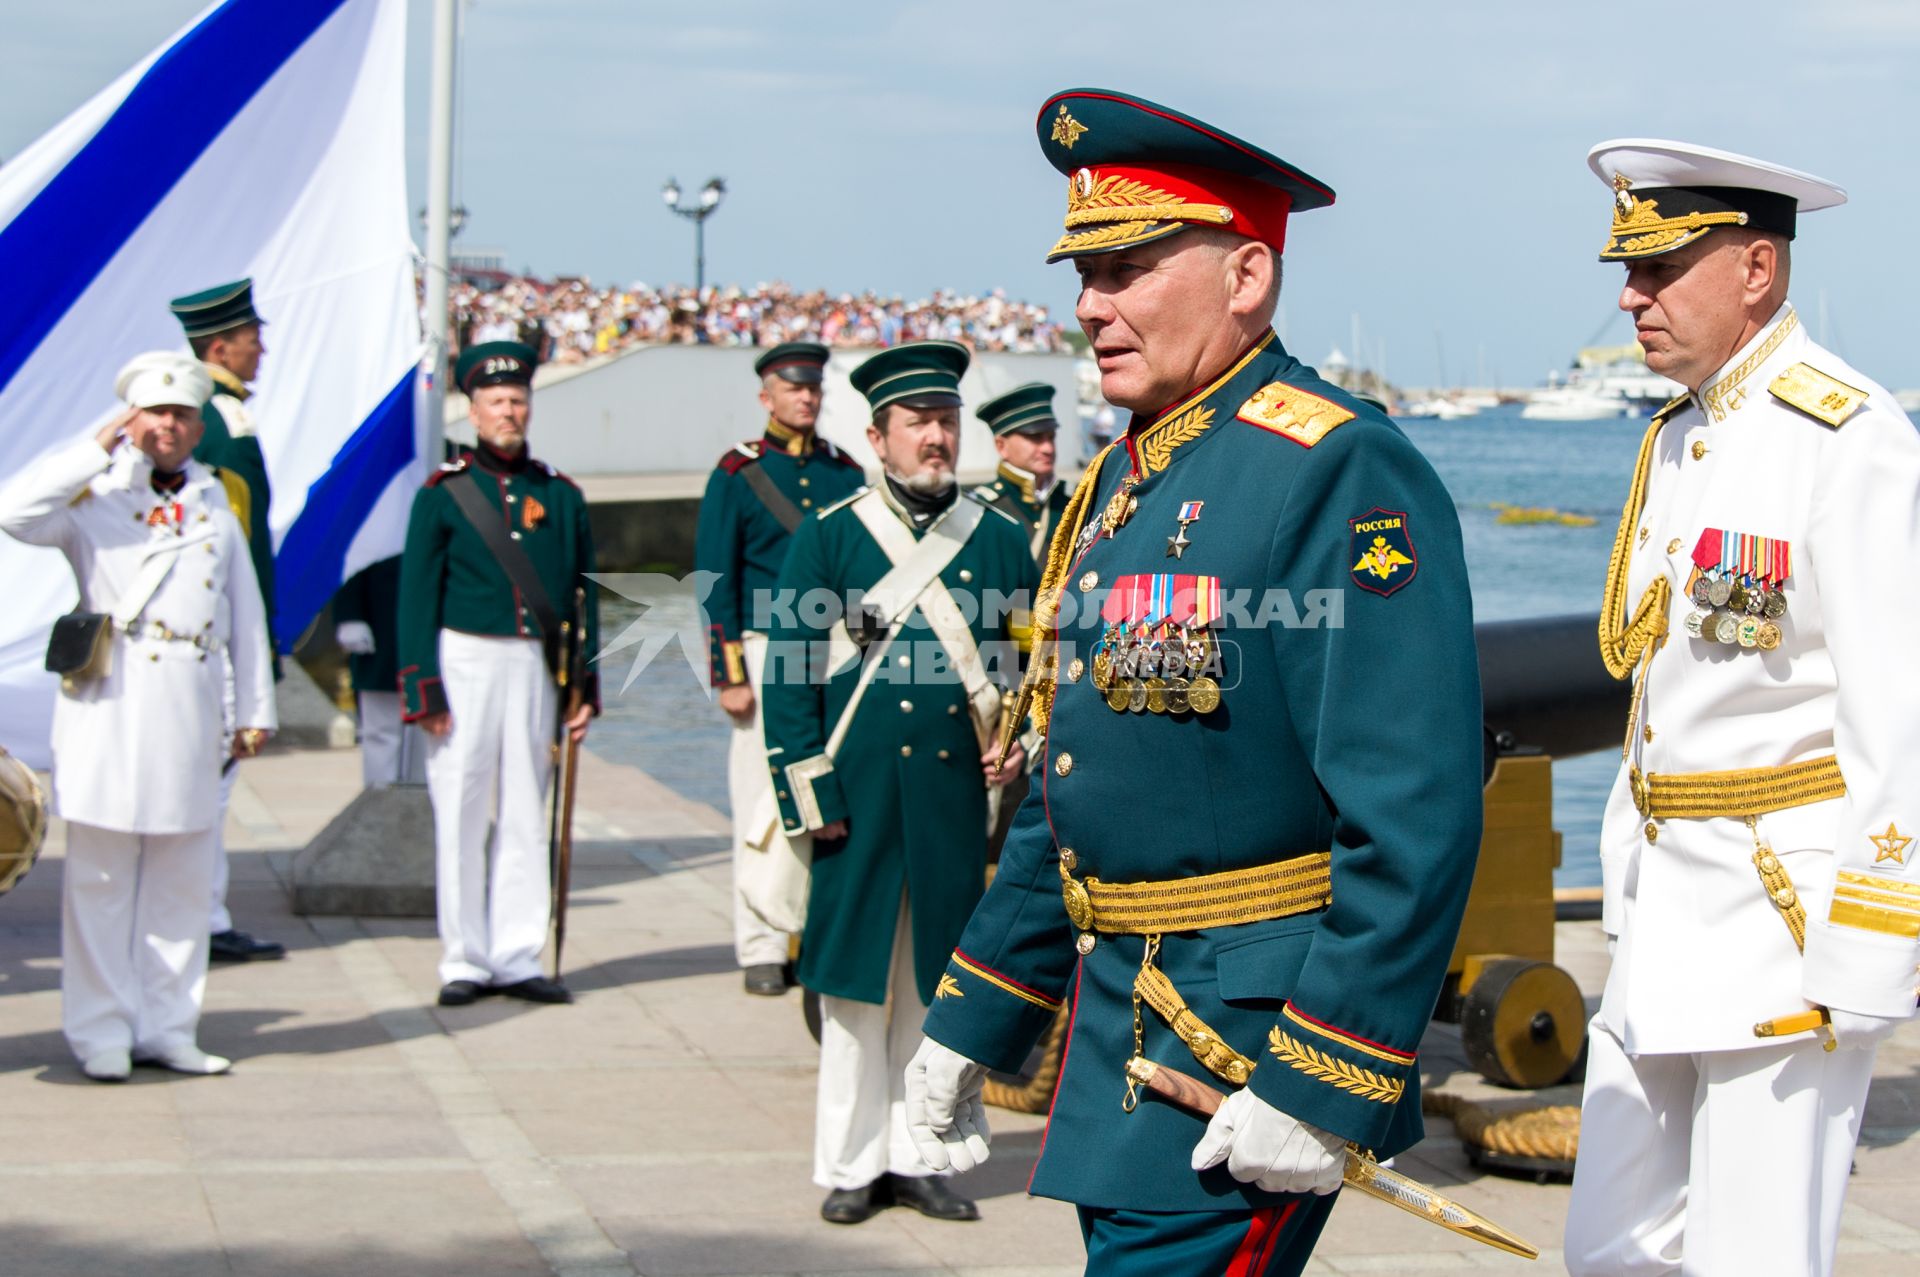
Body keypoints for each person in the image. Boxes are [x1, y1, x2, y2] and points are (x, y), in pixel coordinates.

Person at [903, 89, 1484, 1275]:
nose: (1090, 306)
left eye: (1127, 269)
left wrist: (1326, 1074)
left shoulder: (1333, 465)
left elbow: (1412, 804)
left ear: (1247, 277)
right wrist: (970, 1014)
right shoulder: (1124, 483)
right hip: (1123, 1030)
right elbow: (1077, 792)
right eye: (1084, 274)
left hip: (1236, 1053)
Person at [1563, 140, 1920, 1277]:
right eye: (1630, 268)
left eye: (1660, 268)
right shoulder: (1677, 437)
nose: (1631, 295)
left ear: (1758, 268)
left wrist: (1870, 949)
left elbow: (1896, 711)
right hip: (1665, 909)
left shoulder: (1848, 437)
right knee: (1611, 1249)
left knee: (1758, 1256)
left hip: (1784, 923)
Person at [760, 340, 1038, 1226]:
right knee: (852, 994)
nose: (938, 439)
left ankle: (924, 1156)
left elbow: (1031, 667)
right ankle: (849, 1163)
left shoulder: (998, 539)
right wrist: (811, 796)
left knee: (936, 990)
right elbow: (789, 676)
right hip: (860, 800)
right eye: (919, 424)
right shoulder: (831, 535)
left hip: (954, 802)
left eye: (948, 422)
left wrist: (1021, 743)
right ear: (878, 436)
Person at [0, 352, 276, 1081]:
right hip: (109, 705)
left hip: (187, 705)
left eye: (182, 414)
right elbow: (13, 510)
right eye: (156, 413)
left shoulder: (218, 500)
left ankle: (170, 1025)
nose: (169, 427)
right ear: (133, 419)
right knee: (99, 880)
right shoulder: (93, 497)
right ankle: (100, 1033)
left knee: (182, 881)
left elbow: (246, 616)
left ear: (196, 425)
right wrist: (97, 445)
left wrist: (254, 709)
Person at [397, 341, 599, 1008]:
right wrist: (421, 684)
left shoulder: (560, 494)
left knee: (523, 806)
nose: (509, 411)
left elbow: (582, 596)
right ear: (473, 410)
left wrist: (582, 686)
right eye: (496, 402)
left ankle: (516, 952)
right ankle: (463, 956)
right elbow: (416, 596)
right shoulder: (445, 493)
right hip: (465, 660)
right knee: (459, 806)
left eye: (518, 401)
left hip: (534, 665)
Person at [692, 341, 866, 996]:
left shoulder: (844, 472)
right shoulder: (737, 474)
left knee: (824, 788)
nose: (806, 398)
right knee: (760, 796)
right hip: (765, 649)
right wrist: (727, 671)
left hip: (834, 650)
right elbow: (715, 578)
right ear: (767, 395)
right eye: (794, 388)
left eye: (814, 388)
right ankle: (761, 941)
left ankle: (810, 929)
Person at [169, 279, 285, 964]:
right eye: (251, 338)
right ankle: (201, 917)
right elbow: (237, 545)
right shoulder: (223, 420)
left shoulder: (213, 412)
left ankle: (201, 912)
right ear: (219, 346)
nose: (261, 349)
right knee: (210, 783)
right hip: (214, 633)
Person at [333, 556, 422, 786]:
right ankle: (379, 804)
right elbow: (353, 551)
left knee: (426, 738)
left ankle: (423, 808)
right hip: (379, 624)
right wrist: (348, 612)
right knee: (381, 733)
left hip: (430, 633)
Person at [971, 382, 1070, 566]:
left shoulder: (1071, 504)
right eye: (1035, 438)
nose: (1048, 448)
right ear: (1001, 446)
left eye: (1051, 437)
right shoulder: (979, 509)